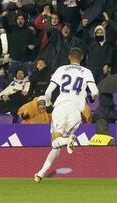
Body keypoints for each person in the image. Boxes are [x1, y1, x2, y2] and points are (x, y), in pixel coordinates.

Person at [34, 47, 99, 183]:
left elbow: (48, 92)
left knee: (56, 141)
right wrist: (91, 97)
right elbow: (95, 92)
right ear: (81, 58)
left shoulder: (61, 69)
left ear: (69, 57)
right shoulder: (87, 72)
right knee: (56, 146)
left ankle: (67, 140)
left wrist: (47, 102)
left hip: (61, 106)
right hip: (76, 112)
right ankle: (41, 172)